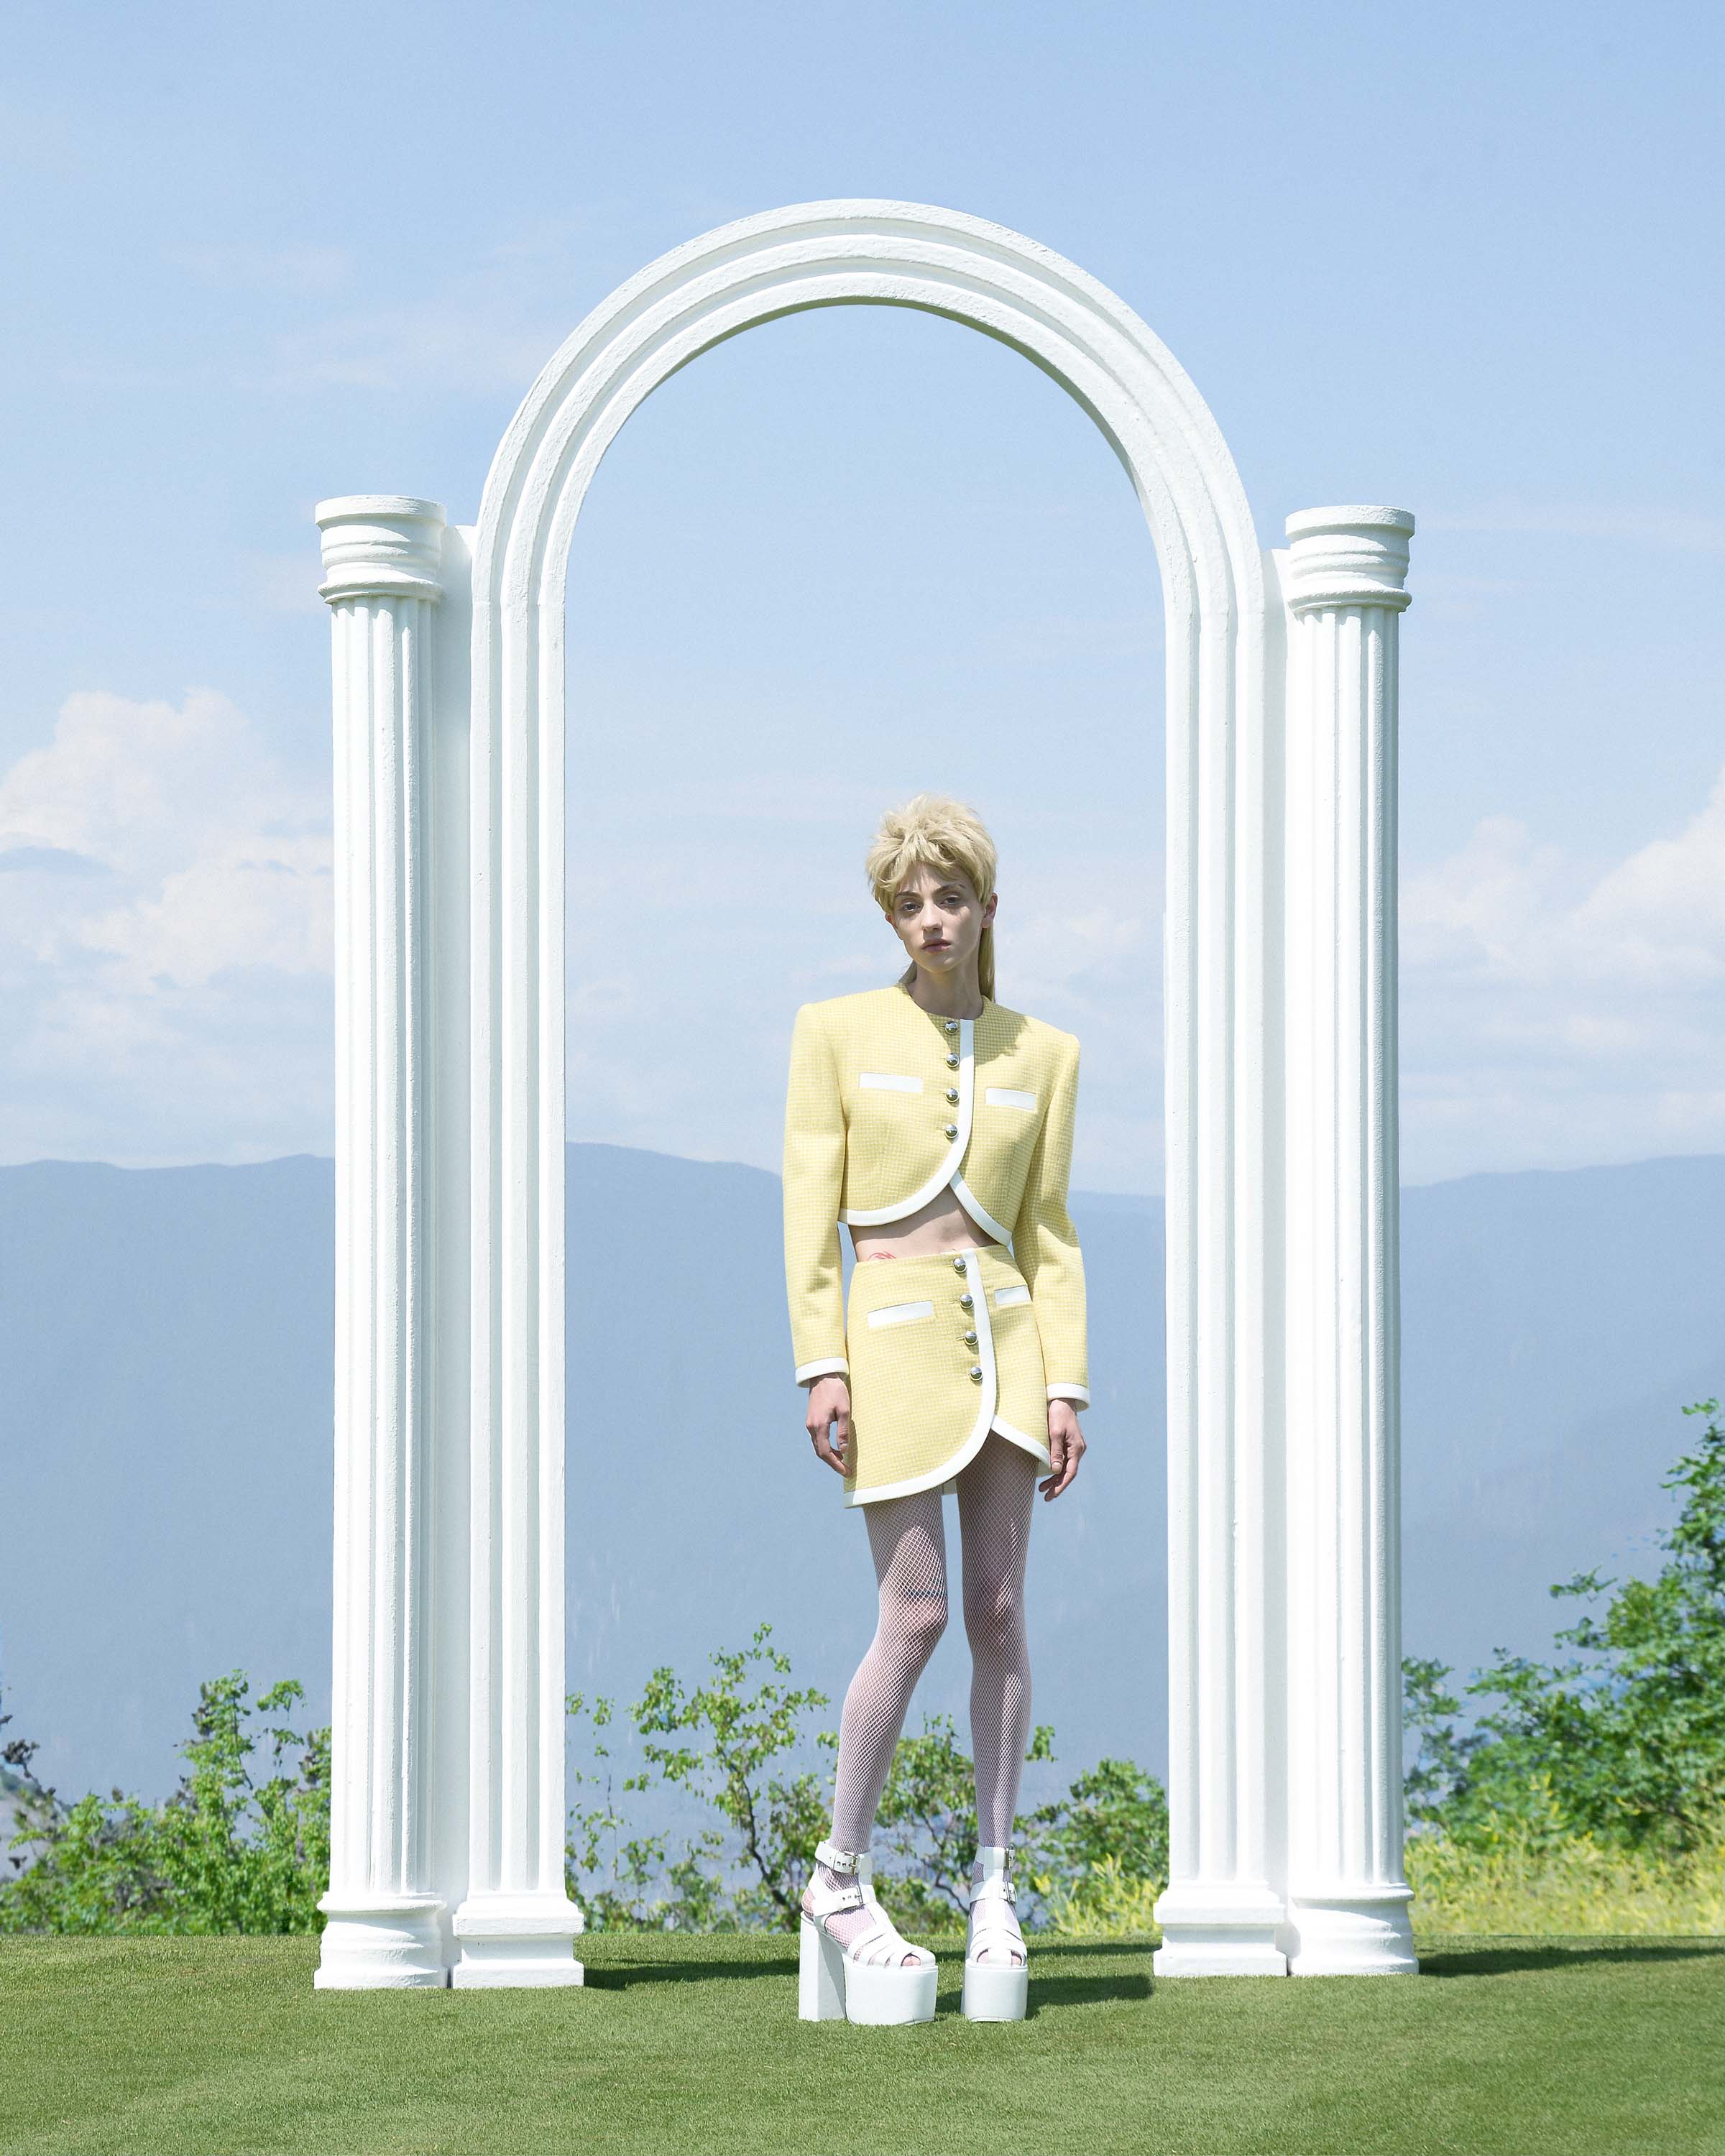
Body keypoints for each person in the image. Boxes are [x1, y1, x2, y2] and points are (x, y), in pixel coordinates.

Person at [783, 793, 1088, 2025]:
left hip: (1009, 1338)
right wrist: (823, 1363)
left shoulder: (1046, 1052)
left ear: (987, 907)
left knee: (1000, 1611)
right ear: (891, 918)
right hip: (889, 1341)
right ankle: (838, 1879)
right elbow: (809, 1216)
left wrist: (1065, 1382)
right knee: (912, 1615)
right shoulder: (834, 1032)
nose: (932, 922)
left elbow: (1049, 1232)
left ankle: (994, 1887)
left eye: (950, 899)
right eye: (910, 905)